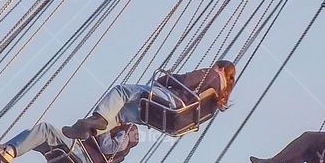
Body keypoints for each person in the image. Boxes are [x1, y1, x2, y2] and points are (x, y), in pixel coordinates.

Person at [61, 61, 236, 140]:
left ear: (220, 68)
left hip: (173, 103)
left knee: (122, 91)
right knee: (121, 115)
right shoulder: (216, 101)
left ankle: (98, 118)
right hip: (175, 120)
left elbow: (184, 80)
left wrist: (164, 80)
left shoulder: (212, 74)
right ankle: (89, 131)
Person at [0, 122, 139, 163]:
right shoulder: (119, 128)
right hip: (81, 152)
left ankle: (6, 153)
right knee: (33, 135)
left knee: (45, 129)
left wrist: (106, 127)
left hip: (85, 158)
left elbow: (108, 147)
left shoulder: (126, 133)